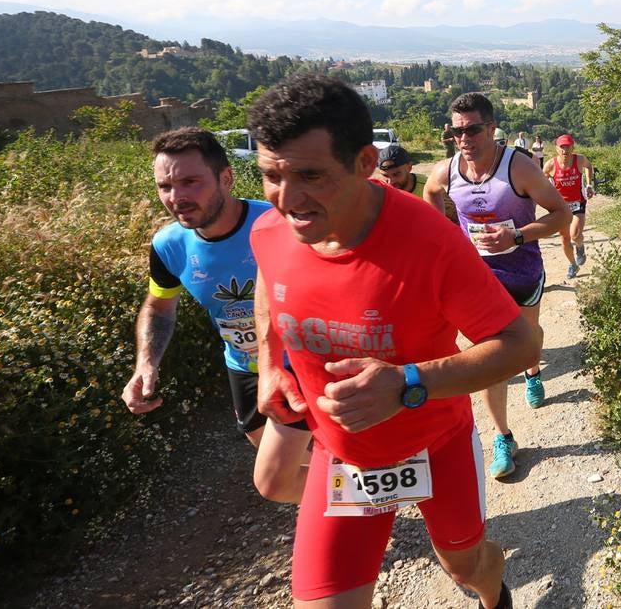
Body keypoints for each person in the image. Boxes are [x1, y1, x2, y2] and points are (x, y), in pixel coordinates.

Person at [248, 75, 540, 609]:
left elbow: (522, 344)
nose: (288, 200)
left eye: (310, 175)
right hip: (344, 456)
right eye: (271, 176)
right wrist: (269, 363)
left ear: (364, 162)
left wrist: (408, 382)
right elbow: (269, 281)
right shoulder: (272, 230)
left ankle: (495, 587)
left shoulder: (428, 241)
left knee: (465, 567)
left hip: (436, 443)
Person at [121, 127, 308, 503]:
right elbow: (159, 306)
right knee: (292, 457)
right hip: (242, 366)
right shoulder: (168, 245)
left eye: (191, 181)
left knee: (273, 478)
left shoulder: (277, 223)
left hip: (300, 364)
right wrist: (145, 364)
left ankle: (352, 510)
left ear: (226, 177)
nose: (177, 197)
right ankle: (360, 496)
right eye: (165, 186)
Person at [424, 93, 571, 480]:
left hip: (522, 272)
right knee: (490, 358)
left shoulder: (518, 168)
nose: (463, 139)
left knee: (528, 340)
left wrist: (517, 237)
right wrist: (448, 238)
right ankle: (503, 437)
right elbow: (431, 195)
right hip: (478, 280)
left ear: (491, 129)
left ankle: (533, 369)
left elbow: (560, 213)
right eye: (455, 132)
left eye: (471, 130)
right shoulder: (447, 171)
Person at [544, 133, 594, 280]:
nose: (565, 150)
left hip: (578, 202)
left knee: (575, 235)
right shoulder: (550, 165)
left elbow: (589, 167)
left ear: (573, 147)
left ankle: (580, 247)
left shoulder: (580, 160)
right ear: (557, 149)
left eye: (568, 147)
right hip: (560, 207)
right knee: (565, 238)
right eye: (562, 147)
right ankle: (573, 264)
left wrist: (589, 184)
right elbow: (541, 181)